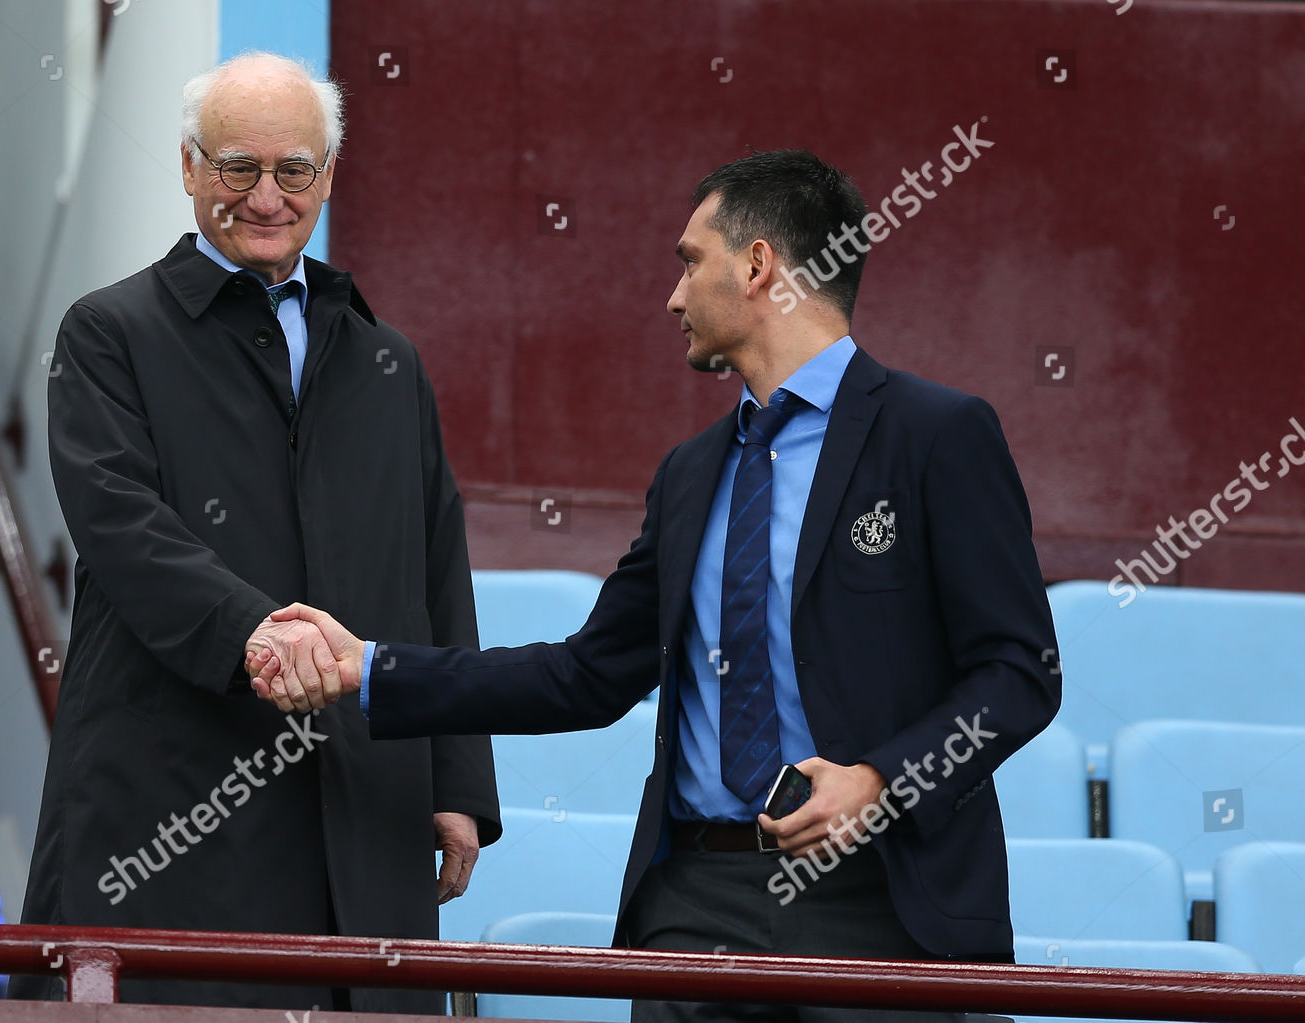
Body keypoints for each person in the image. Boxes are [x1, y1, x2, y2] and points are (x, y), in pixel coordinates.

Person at [250, 150, 1060, 1022]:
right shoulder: (690, 474)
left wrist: (879, 781)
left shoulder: (939, 436)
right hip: (694, 905)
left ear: (757, 267)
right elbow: (586, 673)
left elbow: (1020, 673)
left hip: (887, 905)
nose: (672, 297)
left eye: (688, 261)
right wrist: (367, 667)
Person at [12, 52, 499, 1013]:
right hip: (172, 817)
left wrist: (458, 779)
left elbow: (439, 571)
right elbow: (121, 526)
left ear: (328, 177)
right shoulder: (109, 333)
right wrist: (256, 631)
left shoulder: (388, 360)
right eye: (240, 168)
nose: (268, 196)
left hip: (369, 812)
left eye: (296, 170)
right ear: (191, 168)